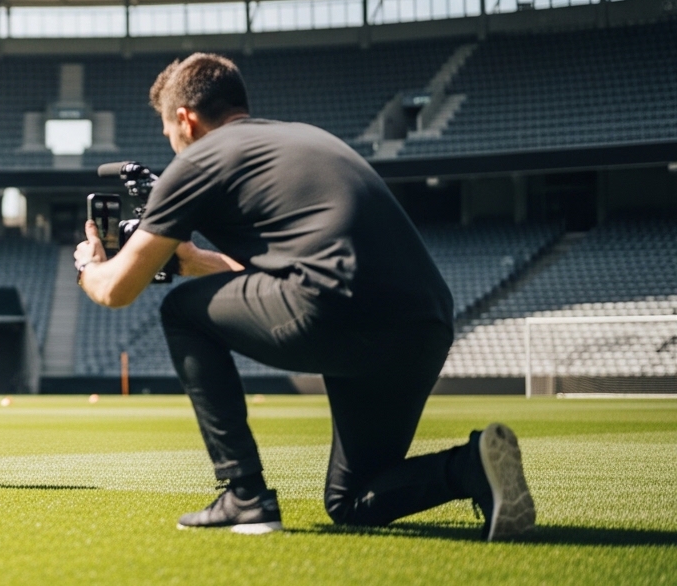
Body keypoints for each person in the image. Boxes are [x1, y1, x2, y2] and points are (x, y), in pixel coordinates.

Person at [73, 53, 535, 540]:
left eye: (170, 135)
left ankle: (244, 494)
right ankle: (469, 467)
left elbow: (116, 290)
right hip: (425, 324)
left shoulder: (198, 161)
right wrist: (191, 262)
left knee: (181, 313)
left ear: (185, 120)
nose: (173, 149)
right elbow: (276, 270)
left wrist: (89, 264)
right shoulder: (304, 138)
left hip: (337, 307)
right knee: (352, 501)